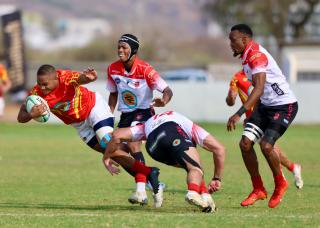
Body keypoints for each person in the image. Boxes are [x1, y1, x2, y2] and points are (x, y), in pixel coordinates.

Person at [17, 64, 163, 207]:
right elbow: (20, 117)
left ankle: (146, 177)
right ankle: (150, 175)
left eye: (45, 84)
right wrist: (31, 114)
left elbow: (80, 79)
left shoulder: (65, 77)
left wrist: (89, 78)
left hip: (94, 109)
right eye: (39, 83)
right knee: (115, 152)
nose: (42, 88)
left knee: (108, 144)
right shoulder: (36, 93)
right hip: (80, 125)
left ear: (56, 78)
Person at [227, 24, 298, 208]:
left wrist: (239, 113)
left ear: (244, 39)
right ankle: (258, 189)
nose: (230, 44)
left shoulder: (256, 55)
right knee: (245, 143)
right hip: (265, 107)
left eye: (232, 40)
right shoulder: (246, 57)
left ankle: (280, 183)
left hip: (284, 106)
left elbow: (258, 89)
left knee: (267, 145)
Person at [103, 110, 226, 213]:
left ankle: (205, 195)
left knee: (190, 166)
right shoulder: (190, 125)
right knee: (195, 168)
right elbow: (219, 149)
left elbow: (116, 135)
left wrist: (107, 156)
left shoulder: (145, 125)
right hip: (171, 132)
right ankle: (193, 192)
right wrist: (217, 178)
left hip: (153, 148)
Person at [107, 34, 173, 205]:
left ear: (134, 50)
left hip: (143, 114)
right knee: (116, 152)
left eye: (124, 47)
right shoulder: (112, 69)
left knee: (133, 144)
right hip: (125, 116)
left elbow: (167, 90)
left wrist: (163, 100)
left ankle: (141, 191)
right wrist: (109, 114)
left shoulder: (145, 69)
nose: (120, 50)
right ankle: (152, 178)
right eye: (119, 47)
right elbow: (113, 94)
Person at [226, 70, 303, 189]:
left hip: (268, 114)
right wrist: (230, 98)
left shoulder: (265, 72)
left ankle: (282, 179)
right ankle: (292, 168)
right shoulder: (237, 77)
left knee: (268, 147)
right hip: (254, 118)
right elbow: (230, 101)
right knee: (267, 147)